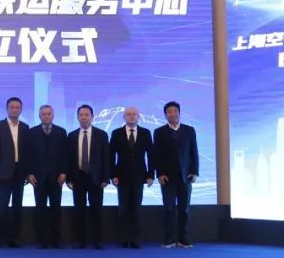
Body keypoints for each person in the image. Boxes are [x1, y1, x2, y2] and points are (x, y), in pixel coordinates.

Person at [153, 101, 200, 248]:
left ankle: (184, 240)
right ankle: (170, 240)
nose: (172, 114)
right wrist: (159, 173)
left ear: (179, 113)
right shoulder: (159, 132)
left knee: (184, 209)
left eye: (175, 111)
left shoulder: (189, 130)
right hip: (167, 178)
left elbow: (194, 153)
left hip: (185, 176)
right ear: (165, 115)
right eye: (169, 112)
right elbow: (156, 155)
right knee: (169, 209)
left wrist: (194, 172)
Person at [109, 106, 154, 249]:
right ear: (124, 117)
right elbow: (111, 155)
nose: (132, 116)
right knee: (123, 209)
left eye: (134, 114)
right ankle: (123, 239)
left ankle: (135, 239)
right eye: (128, 114)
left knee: (136, 209)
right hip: (121, 176)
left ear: (138, 117)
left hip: (139, 176)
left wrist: (150, 175)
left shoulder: (145, 133)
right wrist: (113, 175)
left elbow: (151, 155)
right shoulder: (116, 133)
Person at [66, 104, 110, 249]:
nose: (84, 117)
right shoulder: (72, 136)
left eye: (86, 115)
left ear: (92, 117)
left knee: (96, 210)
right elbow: (68, 159)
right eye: (81, 115)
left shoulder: (101, 135)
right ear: (77, 117)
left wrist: (105, 178)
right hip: (78, 177)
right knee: (79, 210)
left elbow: (106, 158)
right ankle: (80, 240)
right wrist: (69, 179)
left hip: (96, 178)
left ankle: (97, 241)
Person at [25, 104, 68, 249]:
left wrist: (64, 172)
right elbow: (28, 155)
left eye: (49, 113)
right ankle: (42, 240)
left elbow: (65, 154)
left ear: (53, 115)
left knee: (56, 209)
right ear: (39, 116)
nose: (46, 116)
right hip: (38, 178)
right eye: (43, 114)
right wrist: (29, 173)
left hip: (57, 178)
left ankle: (56, 240)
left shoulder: (61, 132)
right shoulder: (32, 132)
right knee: (40, 210)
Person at [0, 96, 29, 247]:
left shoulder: (25, 127)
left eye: (17, 107)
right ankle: (2, 238)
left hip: (20, 172)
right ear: (6, 109)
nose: (14, 109)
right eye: (11, 107)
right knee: (3, 207)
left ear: (21, 109)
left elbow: (28, 152)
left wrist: (27, 172)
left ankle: (15, 238)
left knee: (17, 207)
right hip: (3, 173)